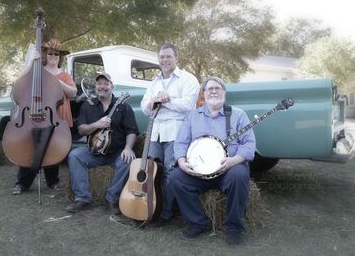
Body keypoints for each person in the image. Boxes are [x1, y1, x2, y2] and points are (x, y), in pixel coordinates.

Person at [170, 76, 256, 245]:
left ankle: (234, 228)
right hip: (198, 172)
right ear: (204, 93)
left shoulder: (238, 115)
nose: (214, 91)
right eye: (210, 89)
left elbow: (249, 145)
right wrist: (181, 161)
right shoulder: (193, 116)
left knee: (240, 175)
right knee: (175, 178)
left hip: (228, 170)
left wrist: (233, 161)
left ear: (224, 92)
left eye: (217, 88)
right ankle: (199, 223)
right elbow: (180, 142)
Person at [140, 43, 200, 225]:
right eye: (162, 57)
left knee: (170, 173)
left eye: (168, 56)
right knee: (150, 172)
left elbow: (188, 105)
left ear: (177, 58)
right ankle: (151, 207)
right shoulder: (154, 82)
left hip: (176, 133)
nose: (164, 60)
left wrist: (166, 100)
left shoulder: (188, 79)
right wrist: (152, 102)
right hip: (154, 134)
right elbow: (144, 107)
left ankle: (167, 213)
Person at [66, 72, 139, 213]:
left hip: (116, 152)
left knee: (129, 161)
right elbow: (81, 130)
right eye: (99, 83)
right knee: (74, 155)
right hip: (93, 151)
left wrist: (128, 148)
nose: (102, 87)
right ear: (96, 86)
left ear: (112, 86)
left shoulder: (123, 107)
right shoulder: (88, 106)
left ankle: (111, 199)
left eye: (106, 83)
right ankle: (82, 199)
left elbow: (132, 131)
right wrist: (97, 124)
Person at [12, 38, 77, 195]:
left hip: (57, 116)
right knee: (31, 147)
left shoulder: (65, 76)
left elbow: (73, 93)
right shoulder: (37, 71)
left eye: (56, 54)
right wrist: (30, 63)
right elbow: (19, 83)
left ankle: (52, 181)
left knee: (53, 149)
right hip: (36, 115)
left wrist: (57, 81)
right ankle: (23, 183)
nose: (53, 56)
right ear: (45, 55)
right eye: (50, 53)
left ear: (59, 56)